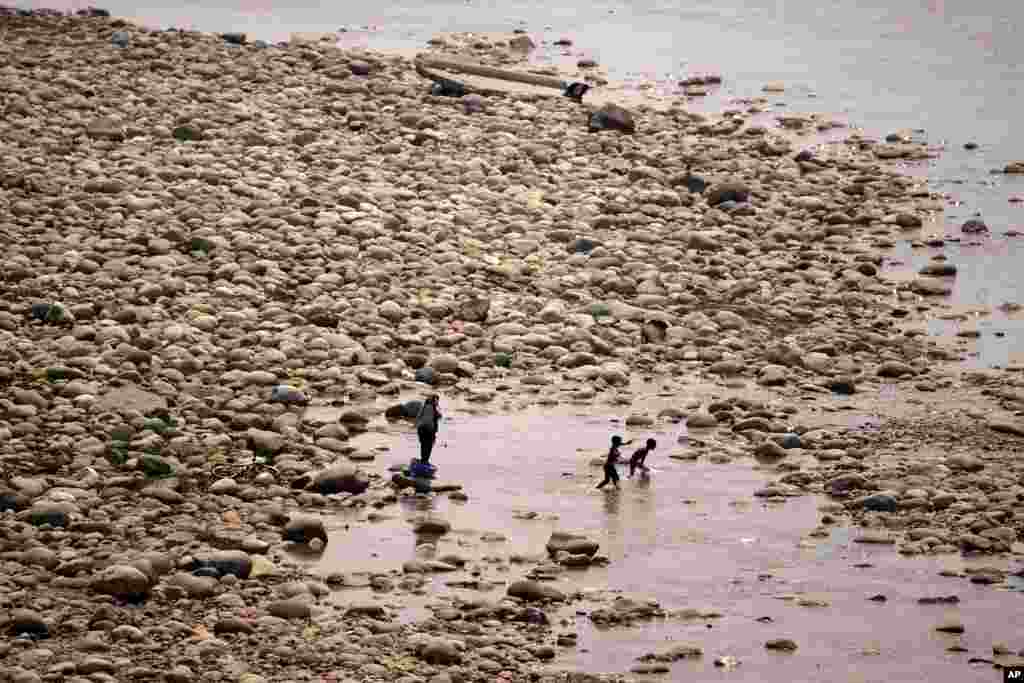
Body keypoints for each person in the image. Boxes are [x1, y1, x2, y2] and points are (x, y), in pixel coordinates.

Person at [415, 395, 442, 463]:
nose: (437, 402)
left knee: (423, 445)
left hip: (421, 429)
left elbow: (418, 417)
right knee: (428, 445)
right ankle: (425, 461)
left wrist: (417, 425)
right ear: (434, 401)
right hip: (429, 430)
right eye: (436, 401)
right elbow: (439, 416)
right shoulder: (433, 408)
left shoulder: (424, 406)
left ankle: (423, 460)